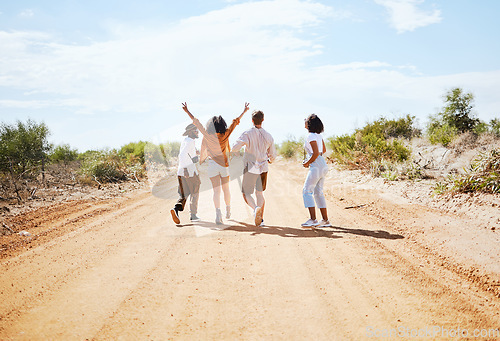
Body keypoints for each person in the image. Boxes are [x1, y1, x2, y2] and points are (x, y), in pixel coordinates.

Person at [181, 102, 249, 224]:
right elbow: (235, 122)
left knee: (216, 192)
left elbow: (196, 122)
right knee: (226, 189)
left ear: (210, 126)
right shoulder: (226, 134)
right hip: (224, 166)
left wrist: (187, 111)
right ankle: (228, 209)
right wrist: (244, 111)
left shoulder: (207, 135)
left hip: (212, 166)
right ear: (223, 125)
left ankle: (218, 214)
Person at [231, 110, 276, 226]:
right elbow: (273, 156)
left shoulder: (247, 133)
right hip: (263, 168)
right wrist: (269, 160)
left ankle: (255, 209)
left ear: (252, 120)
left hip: (250, 167)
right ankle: (260, 220)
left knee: (246, 193)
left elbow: (235, 147)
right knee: (259, 194)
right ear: (263, 120)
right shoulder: (269, 136)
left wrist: (240, 151)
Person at [301, 114, 332, 228]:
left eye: (306, 120)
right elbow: (322, 150)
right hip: (322, 164)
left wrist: (307, 162)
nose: (304, 121)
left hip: (317, 165)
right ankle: (325, 220)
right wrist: (314, 159)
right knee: (318, 193)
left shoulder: (310, 136)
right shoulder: (318, 136)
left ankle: (313, 219)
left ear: (309, 124)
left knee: (306, 191)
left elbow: (314, 153)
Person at [170, 123, 201, 224]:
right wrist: (186, 170)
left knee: (184, 194)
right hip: (189, 172)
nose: (197, 132)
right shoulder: (190, 141)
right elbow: (182, 155)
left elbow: (190, 156)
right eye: (196, 130)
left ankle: (176, 209)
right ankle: (193, 215)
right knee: (195, 190)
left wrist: (198, 154)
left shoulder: (186, 141)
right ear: (191, 132)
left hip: (181, 171)